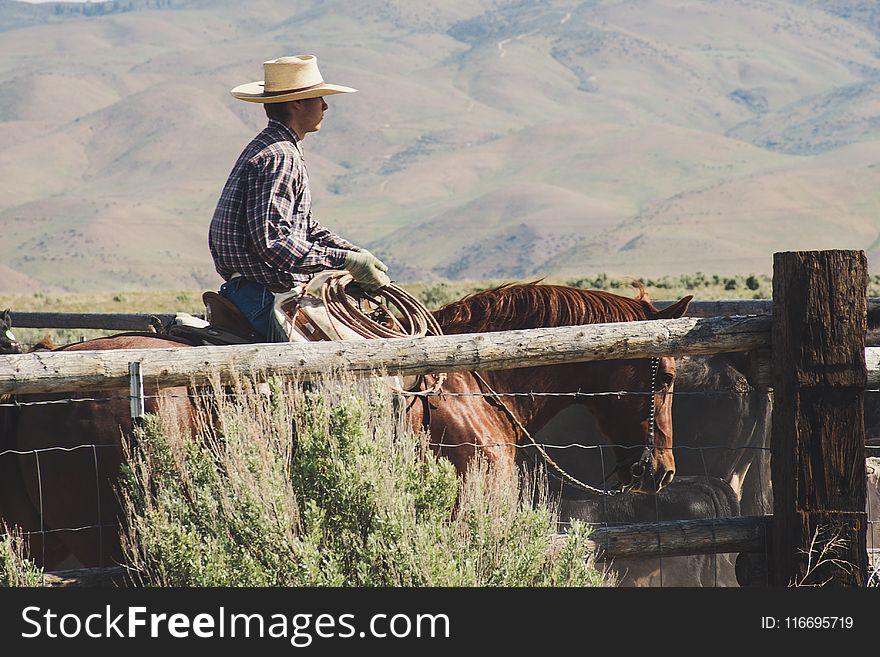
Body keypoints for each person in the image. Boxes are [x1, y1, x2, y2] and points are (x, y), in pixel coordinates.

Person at [209, 54, 389, 342]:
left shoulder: (271, 147)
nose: (326, 106)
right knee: (346, 361)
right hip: (265, 293)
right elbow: (274, 243)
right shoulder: (280, 155)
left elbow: (304, 226)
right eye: (319, 98)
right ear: (297, 103)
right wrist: (345, 261)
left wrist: (354, 254)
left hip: (253, 289)